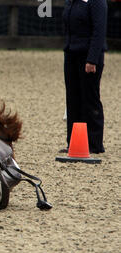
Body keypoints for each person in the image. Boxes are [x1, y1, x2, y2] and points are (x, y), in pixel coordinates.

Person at [62, 0, 108, 154]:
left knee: (90, 99)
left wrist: (92, 59)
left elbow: (99, 31)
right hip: (71, 55)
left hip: (88, 57)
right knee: (73, 99)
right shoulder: (71, 2)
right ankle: (74, 142)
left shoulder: (97, 2)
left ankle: (94, 144)